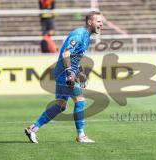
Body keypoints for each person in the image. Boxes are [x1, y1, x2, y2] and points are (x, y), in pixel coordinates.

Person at [25, 11, 103, 143]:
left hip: (64, 73)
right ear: (90, 22)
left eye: (101, 22)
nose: (101, 24)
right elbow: (66, 54)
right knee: (80, 101)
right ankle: (81, 135)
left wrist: (80, 72)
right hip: (64, 74)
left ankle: (32, 129)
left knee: (60, 106)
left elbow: (74, 58)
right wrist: (69, 74)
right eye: (98, 21)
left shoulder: (86, 36)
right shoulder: (79, 34)